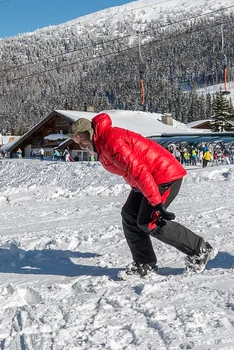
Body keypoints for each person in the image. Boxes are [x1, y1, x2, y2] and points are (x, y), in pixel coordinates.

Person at [71, 113, 215, 277]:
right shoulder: (101, 142)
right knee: (130, 216)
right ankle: (144, 263)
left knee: (149, 221)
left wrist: (156, 202)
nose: (81, 146)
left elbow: (138, 170)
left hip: (164, 177)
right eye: (77, 143)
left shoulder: (111, 142)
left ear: (89, 134)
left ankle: (200, 249)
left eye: (81, 140)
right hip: (147, 180)